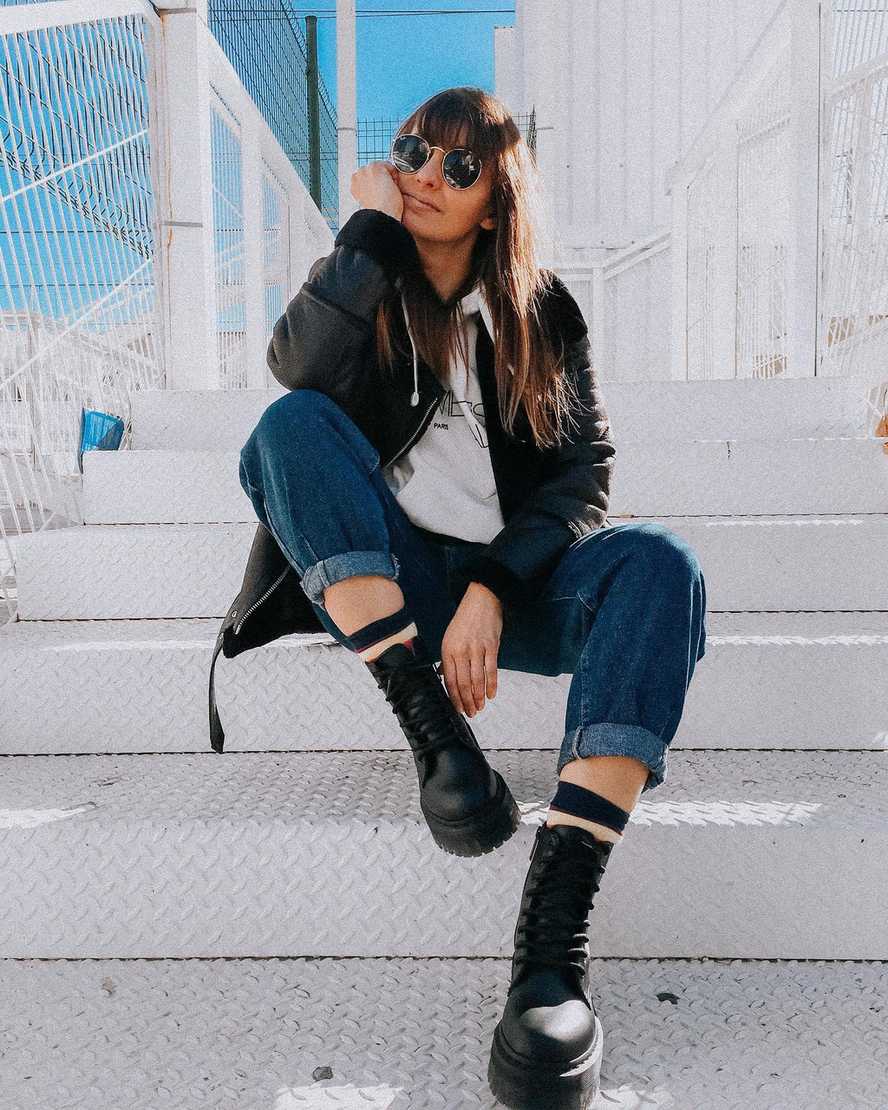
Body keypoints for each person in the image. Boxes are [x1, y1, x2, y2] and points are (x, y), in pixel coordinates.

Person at [235, 87, 707, 1110]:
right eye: (412, 151)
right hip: (387, 587)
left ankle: (553, 946)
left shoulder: (544, 312)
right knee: (287, 429)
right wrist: (366, 235)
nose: (425, 175)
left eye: (459, 167)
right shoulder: (363, 282)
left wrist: (494, 583)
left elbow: (583, 476)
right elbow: (295, 372)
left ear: (496, 202)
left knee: (662, 566)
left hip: (514, 587)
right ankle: (438, 738)